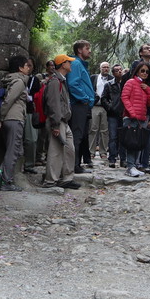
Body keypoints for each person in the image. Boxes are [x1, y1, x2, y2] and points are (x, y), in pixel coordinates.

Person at [0, 55, 33, 191]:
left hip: (11, 119)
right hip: (14, 119)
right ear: (20, 68)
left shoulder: (13, 80)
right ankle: (6, 182)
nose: (29, 68)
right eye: (26, 65)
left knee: (17, 150)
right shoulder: (19, 82)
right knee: (13, 151)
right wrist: (0, 118)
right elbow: (8, 100)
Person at [43, 54, 80, 189]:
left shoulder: (61, 80)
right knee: (56, 151)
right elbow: (53, 104)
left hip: (64, 121)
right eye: (69, 62)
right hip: (58, 122)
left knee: (69, 149)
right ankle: (50, 181)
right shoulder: (54, 81)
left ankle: (67, 179)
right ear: (63, 64)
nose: (71, 64)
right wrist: (55, 125)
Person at [119, 61, 150, 177]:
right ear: (137, 71)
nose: (145, 73)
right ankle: (130, 167)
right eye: (142, 71)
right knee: (131, 143)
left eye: (147, 72)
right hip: (131, 118)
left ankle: (134, 165)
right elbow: (124, 97)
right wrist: (132, 112)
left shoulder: (144, 86)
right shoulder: (130, 82)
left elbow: (149, 103)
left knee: (138, 143)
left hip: (142, 118)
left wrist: (148, 90)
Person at [66, 40, 96, 173]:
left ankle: (76, 165)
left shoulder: (81, 64)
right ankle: (74, 166)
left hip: (83, 105)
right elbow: (73, 84)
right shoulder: (76, 63)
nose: (90, 51)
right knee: (77, 136)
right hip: (78, 105)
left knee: (81, 136)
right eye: (87, 48)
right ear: (79, 50)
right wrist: (85, 99)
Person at [90, 61, 113, 162]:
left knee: (105, 130)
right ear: (100, 68)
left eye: (107, 67)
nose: (106, 69)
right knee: (93, 129)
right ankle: (91, 151)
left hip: (106, 108)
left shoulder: (112, 79)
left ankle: (103, 152)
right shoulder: (94, 78)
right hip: (95, 106)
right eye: (104, 67)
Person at [103, 64, 124, 167]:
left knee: (123, 137)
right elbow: (103, 98)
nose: (119, 71)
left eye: (120, 69)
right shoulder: (109, 84)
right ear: (113, 73)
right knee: (113, 137)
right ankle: (112, 158)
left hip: (124, 114)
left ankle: (123, 159)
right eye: (117, 70)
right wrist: (109, 107)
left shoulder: (126, 83)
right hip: (112, 114)